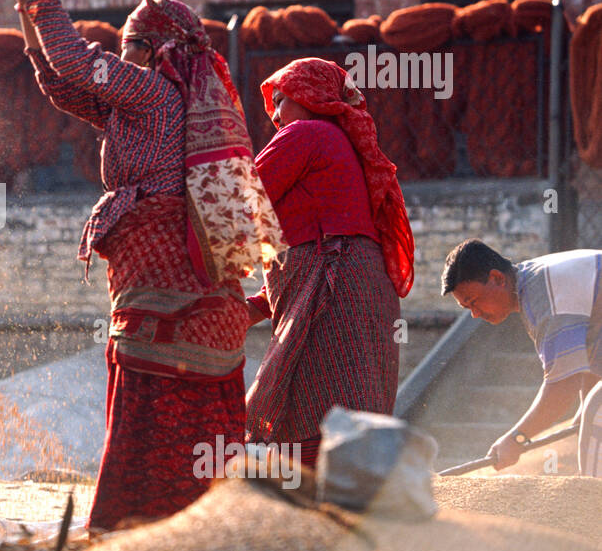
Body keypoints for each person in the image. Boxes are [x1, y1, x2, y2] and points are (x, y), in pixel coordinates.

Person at [6, 0, 284, 530]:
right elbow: (62, 84)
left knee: (148, 394)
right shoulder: (140, 104)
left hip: (160, 284)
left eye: (130, 47)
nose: (122, 59)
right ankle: (190, 525)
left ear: (155, 50)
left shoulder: (154, 93)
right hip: (178, 290)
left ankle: (129, 524)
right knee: (175, 406)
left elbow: (78, 65)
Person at [245, 57, 414, 466]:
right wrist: (250, 308)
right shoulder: (348, 146)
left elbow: (240, 200)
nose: (275, 114)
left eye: (284, 100)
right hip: (358, 292)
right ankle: (353, 500)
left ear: (314, 98)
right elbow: (316, 247)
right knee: (349, 407)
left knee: (308, 400)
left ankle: (315, 503)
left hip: (334, 294)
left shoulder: (307, 133)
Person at [442, 239, 601, 476]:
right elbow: (590, 357)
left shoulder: (543, 299)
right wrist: (586, 410)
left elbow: (562, 386)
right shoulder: (536, 280)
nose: (475, 314)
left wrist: (517, 438)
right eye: (467, 308)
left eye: (473, 302)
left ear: (497, 278)